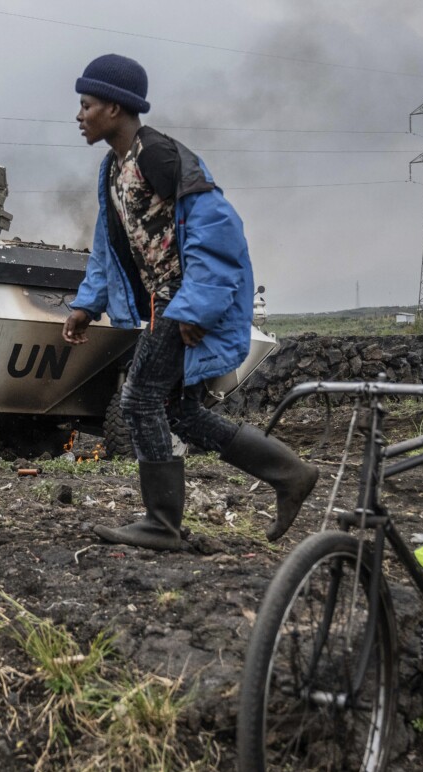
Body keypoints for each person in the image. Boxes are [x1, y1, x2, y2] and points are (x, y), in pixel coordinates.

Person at [63, 54, 318, 551]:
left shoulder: (159, 156)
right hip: (166, 304)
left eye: (86, 104)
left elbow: (218, 228)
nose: (79, 114)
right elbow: (110, 242)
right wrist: (87, 303)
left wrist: (196, 309)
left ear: (113, 108)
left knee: (139, 400)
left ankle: (162, 524)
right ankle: (290, 473)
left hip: (182, 303)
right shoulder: (113, 168)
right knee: (179, 412)